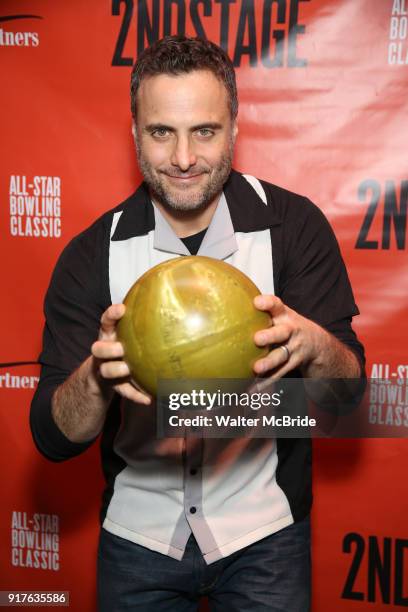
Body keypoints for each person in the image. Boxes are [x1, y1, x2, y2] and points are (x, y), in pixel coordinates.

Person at [30, 35, 365, 611]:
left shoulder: (294, 229)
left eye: (204, 131)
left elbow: (349, 400)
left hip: (266, 539)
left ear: (235, 128)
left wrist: (313, 349)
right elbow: (52, 439)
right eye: (162, 132)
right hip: (139, 541)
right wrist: (96, 377)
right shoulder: (92, 255)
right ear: (134, 132)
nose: (184, 158)